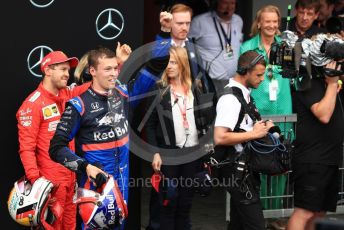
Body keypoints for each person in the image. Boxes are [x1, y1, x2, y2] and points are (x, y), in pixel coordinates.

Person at [49, 47, 129, 229]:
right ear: (92, 71)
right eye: (107, 69)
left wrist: (164, 34)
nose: (114, 73)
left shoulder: (123, 93)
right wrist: (86, 167)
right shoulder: (79, 104)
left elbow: (153, 71)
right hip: (95, 192)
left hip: (121, 188)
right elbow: (55, 148)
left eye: (115, 68)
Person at [16, 50, 91, 229]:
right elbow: (26, 149)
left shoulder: (65, 95)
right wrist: (37, 183)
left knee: (70, 226)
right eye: (63, 69)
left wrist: (117, 65)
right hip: (50, 185)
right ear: (48, 70)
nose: (68, 74)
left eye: (68, 70)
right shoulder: (32, 105)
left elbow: (91, 87)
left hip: (70, 179)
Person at [240, 6, 293, 223]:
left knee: (280, 162)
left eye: (275, 21)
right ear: (259, 23)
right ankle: (258, 216)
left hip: (283, 111)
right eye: (267, 21)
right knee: (259, 162)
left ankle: (276, 216)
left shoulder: (286, 46)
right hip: (259, 112)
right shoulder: (248, 46)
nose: (271, 25)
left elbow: (296, 77)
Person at [145, 46, 207, 230]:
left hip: (192, 154)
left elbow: (202, 119)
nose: (169, 66)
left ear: (182, 64)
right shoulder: (159, 90)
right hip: (169, 154)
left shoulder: (196, 88)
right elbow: (149, 125)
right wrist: (155, 153)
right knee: (168, 201)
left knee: (185, 202)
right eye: (167, 62)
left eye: (173, 62)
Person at [214, 50, 269, 230]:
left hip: (243, 169)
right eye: (259, 75)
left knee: (239, 224)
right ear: (245, 70)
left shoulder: (243, 93)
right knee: (256, 226)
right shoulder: (230, 98)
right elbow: (220, 136)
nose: (262, 79)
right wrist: (254, 134)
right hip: (236, 171)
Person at [286, 62, 344, 230]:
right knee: (304, 212)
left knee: (319, 213)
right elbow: (323, 115)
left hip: (329, 160)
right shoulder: (308, 83)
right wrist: (333, 84)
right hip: (312, 161)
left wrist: (334, 83)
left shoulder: (332, 85)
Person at [189, 0, 243, 95]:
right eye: (225, 2)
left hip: (235, 79)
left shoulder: (238, 21)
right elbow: (188, 46)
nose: (229, 7)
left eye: (232, 3)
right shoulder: (199, 22)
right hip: (211, 81)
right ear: (216, 3)